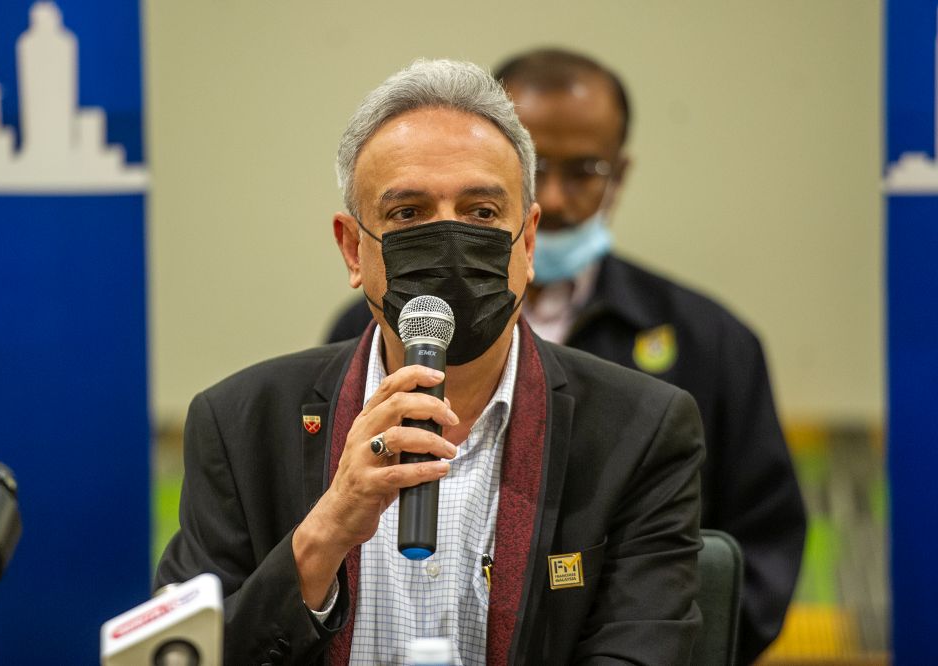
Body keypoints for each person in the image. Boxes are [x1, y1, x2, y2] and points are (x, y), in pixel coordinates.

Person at [157, 59, 706, 665]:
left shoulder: (640, 430)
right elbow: (186, 655)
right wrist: (327, 531)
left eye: (480, 213)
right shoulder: (239, 424)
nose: (449, 241)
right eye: (408, 214)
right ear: (352, 248)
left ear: (526, 243)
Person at [326, 49, 807, 664]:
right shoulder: (367, 330)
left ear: (620, 175)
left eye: (584, 170)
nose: (555, 197)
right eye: (542, 167)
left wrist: (658, 625)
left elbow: (756, 554)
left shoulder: (707, 342)